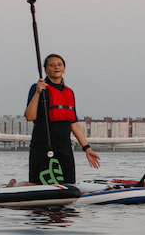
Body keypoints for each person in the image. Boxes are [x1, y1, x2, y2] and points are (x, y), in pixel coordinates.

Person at [22, 54, 100, 184]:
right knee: (36, 183)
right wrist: (37, 93)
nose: (56, 67)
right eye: (51, 65)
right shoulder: (38, 89)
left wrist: (87, 148)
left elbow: (74, 124)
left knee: (70, 184)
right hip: (42, 145)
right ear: (46, 70)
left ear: (64, 68)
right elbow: (30, 117)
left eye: (59, 65)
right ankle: (13, 186)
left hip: (64, 146)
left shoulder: (69, 92)